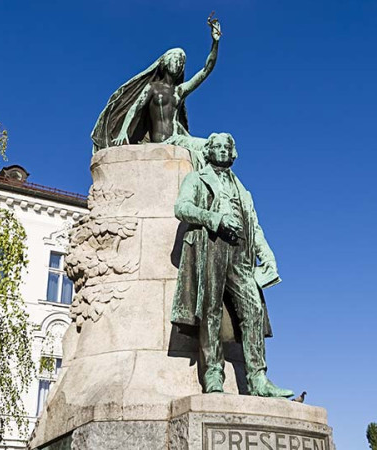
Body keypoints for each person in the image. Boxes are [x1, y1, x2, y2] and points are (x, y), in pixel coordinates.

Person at [171, 133, 293, 398]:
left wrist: (268, 257)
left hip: (240, 252)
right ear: (209, 151)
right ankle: (213, 374)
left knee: (253, 309)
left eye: (228, 147)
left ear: (234, 153)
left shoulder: (243, 189)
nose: (223, 151)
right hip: (210, 244)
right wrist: (213, 218)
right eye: (217, 146)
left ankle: (258, 379)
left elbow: (255, 227)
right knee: (210, 310)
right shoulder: (197, 178)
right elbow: (181, 208)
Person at [90, 17, 222, 169]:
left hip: (178, 139)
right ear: (165, 62)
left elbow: (206, 70)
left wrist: (215, 43)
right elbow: (135, 108)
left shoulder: (179, 91)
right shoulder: (152, 88)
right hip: (161, 141)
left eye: (182, 62)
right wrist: (123, 132)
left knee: (211, 147)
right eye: (175, 59)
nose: (178, 63)